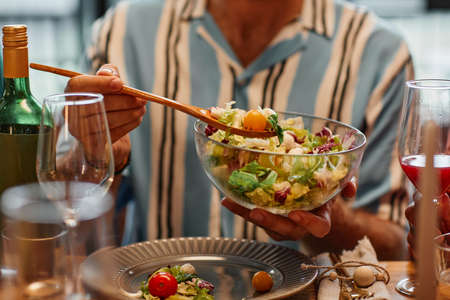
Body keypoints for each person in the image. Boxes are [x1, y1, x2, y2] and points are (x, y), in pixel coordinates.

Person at [65, 0, 414, 259]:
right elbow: (68, 231)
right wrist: (95, 155)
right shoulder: (121, 32)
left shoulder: (379, 54)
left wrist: (322, 209)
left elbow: (397, 249)